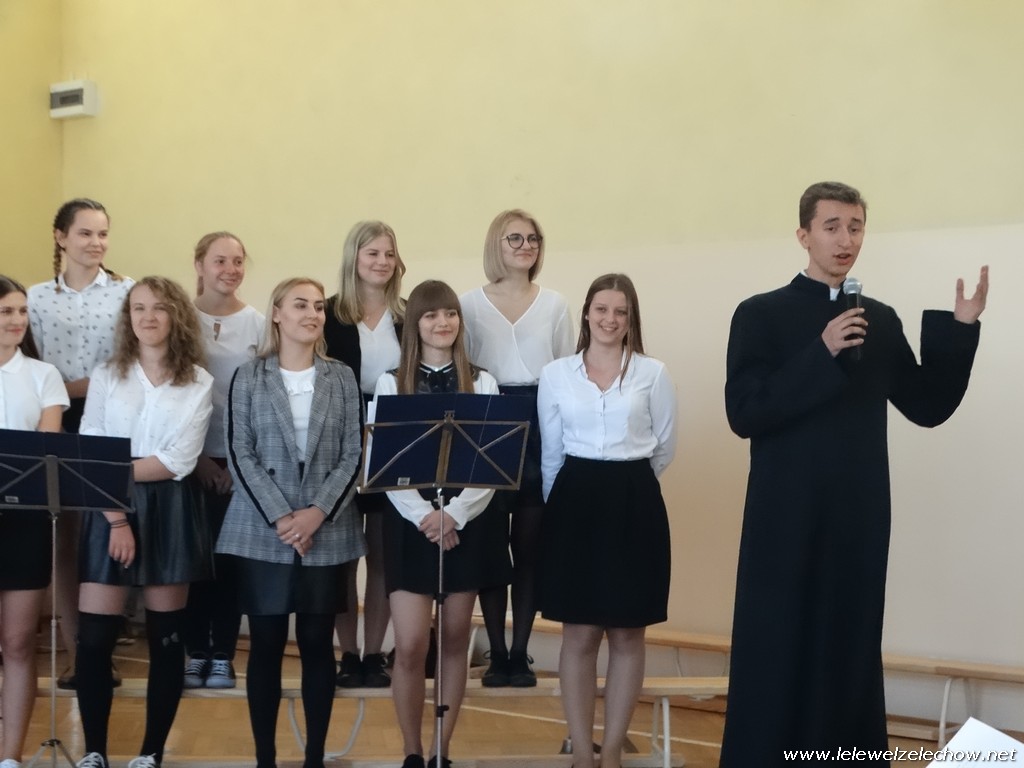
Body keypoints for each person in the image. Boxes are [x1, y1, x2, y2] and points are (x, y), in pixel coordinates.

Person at [719, 181, 988, 766]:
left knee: (850, 641)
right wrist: (821, 351)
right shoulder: (760, 314)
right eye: (832, 226)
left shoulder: (879, 320)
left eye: (856, 227)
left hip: (858, 515)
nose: (846, 239)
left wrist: (961, 329)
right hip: (785, 515)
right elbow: (745, 413)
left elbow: (927, 405)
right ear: (804, 235)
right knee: (778, 641)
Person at [216, 277, 364, 768]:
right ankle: (265, 758)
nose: (312, 314)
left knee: (318, 643)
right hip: (263, 528)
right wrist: (283, 517)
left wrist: (316, 513)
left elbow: (353, 454)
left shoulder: (341, 377)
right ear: (276, 313)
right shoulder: (248, 376)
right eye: (300, 305)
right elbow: (239, 452)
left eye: (318, 307)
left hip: (327, 528)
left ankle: (314, 757)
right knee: (265, 644)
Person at [537, 273, 676, 768]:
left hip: (634, 501)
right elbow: (550, 454)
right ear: (587, 314)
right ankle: (581, 751)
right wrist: (563, 510)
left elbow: (663, 447)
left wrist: (626, 486)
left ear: (631, 318)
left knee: (627, 633)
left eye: (620, 311)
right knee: (578, 635)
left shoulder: (653, 373)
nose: (610, 319)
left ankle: (612, 751)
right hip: (573, 502)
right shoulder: (556, 374)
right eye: (601, 309)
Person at [75, 276, 214, 768]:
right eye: (138, 308)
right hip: (108, 507)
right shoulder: (107, 375)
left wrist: (111, 469)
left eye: (159, 308)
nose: (148, 317)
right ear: (127, 317)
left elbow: (179, 460)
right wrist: (116, 519)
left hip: (171, 509)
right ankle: (94, 751)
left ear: (176, 316)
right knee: (94, 639)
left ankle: (150, 753)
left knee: (166, 639)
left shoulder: (199, 381)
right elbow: (89, 448)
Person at [373, 280, 511, 768]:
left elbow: (492, 464)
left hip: (465, 522)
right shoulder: (392, 382)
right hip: (411, 524)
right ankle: (412, 750)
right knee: (411, 644)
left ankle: (440, 750)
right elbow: (384, 465)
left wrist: (454, 513)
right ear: (415, 324)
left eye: (450, 313)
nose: (443, 323)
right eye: (431, 315)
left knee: (454, 641)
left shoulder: (483, 382)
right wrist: (425, 517)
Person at [461, 209, 574, 687]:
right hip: (487, 422)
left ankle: (520, 652)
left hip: (540, 419)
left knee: (529, 547)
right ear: (496, 244)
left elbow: (567, 373)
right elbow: (463, 371)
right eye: (515, 238)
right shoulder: (468, 304)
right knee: (491, 547)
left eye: (533, 239)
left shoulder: (556, 304)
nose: (526, 246)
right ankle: (496, 651)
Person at [27, 198, 134, 688]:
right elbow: (31, 368)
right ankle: (78, 656)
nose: (96, 243)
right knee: (64, 543)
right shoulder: (35, 298)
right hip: (55, 421)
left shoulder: (127, 292)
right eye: (86, 233)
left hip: (110, 420)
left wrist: (75, 387)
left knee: (108, 535)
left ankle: (100, 649)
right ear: (61, 237)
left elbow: (128, 363)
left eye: (103, 234)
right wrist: (62, 393)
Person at [323, 221, 405, 689]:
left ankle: (374, 652)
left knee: (383, 554)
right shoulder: (330, 313)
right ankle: (348, 653)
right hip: (340, 439)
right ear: (354, 257)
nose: (381, 262)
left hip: (393, 439)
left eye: (389, 254)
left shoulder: (407, 315)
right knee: (343, 554)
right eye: (372, 253)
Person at [181, 232, 264, 690]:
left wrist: (237, 463)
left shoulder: (258, 324)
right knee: (195, 559)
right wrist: (197, 461)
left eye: (237, 261)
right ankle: (195, 651)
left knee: (230, 560)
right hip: (186, 457)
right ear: (199, 265)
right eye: (219, 261)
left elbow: (260, 399)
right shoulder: (180, 318)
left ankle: (224, 655)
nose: (230, 270)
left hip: (240, 460)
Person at [0, 276, 70, 768]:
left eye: (22, 311)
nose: (18, 320)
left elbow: (44, 450)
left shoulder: (44, 375)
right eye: (7, 311)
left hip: (24, 521)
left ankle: (11, 756)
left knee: (19, 642)